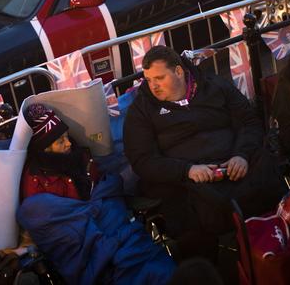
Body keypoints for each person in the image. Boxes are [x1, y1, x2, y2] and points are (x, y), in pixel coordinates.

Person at [124, 46, 285, 260]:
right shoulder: (142, 110)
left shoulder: (215, 86)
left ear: (179, 72)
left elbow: (249, 121)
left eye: (159, 78)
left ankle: (281, 246)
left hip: (234, 164)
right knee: (185, 219)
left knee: (267, 168)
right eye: (148, 80)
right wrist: (187, 170)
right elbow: (142, 160)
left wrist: (242, 155)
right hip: (187, 180)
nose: (153, 86)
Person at [17, 103, 176, 284]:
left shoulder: (81, 159)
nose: (69, 143)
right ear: (44, 149)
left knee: (154, 268)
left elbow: (106, 189)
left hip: (115, 232)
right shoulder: (36, 181)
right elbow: (43, 218)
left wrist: (100, 211)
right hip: (86, 247)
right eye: (60, 141)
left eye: (67, 136)